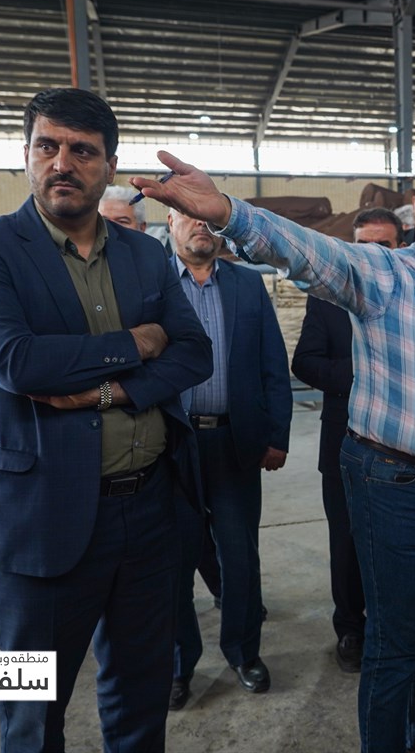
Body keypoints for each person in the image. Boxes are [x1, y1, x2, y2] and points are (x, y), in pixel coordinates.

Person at [133, 156, 415, 753]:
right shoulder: (384, 273)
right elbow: (305, 251)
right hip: (395, 482)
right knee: (395, 640)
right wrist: (228, 212)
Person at [0, 88, 213, 753]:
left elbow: (194, 352)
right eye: (48, 146)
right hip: (39, 513)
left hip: (148, 508)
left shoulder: (145, 254)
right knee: (31, 711)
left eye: (83, 151)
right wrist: (139, 342)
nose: (62, 163)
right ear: (26, 154)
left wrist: (105, 392)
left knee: (141, 693)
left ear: (109, 166)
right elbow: (17, 362)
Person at [166, 207, 292, 709]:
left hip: (234, 442)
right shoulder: (151, 284)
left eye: (206, 217)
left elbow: (272, 364)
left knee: (240, 556)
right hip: (171, 446)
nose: (199, 224)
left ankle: (244, 651)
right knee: (174, 561)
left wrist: (277, 435)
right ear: (169, 224)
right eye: (186, 216)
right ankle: (179, 664)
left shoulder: (246, 285)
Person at [291, 207, 406, 674]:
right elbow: (304, 363)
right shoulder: (327, 299)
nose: (373, 254)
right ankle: (351, 628)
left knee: (399, 542)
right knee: (347, 541)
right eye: (364, 246)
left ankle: (393, 626)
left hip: (407, 448)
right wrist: (365, 373)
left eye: (384, 245)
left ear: (401, 247)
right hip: (344, 445)